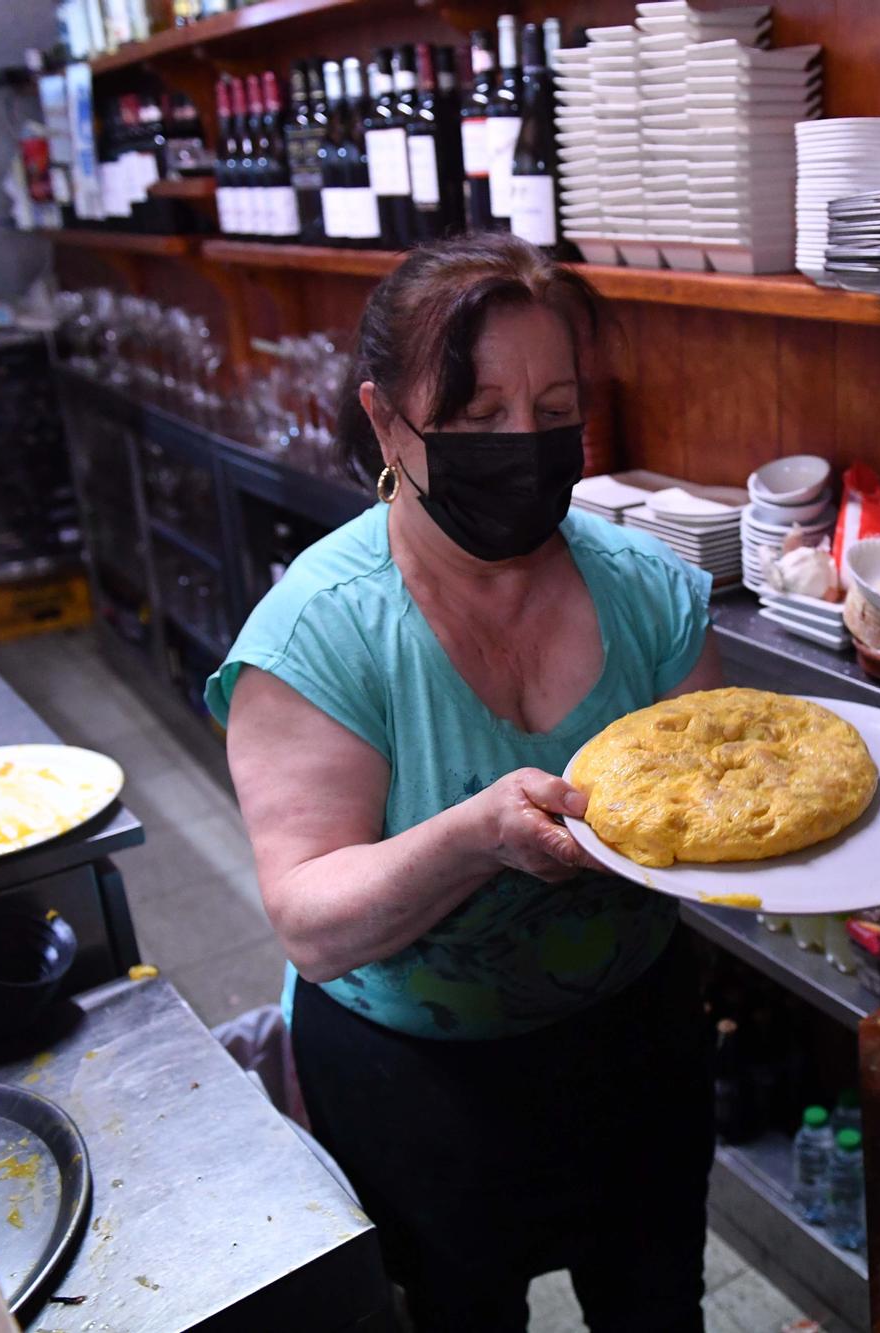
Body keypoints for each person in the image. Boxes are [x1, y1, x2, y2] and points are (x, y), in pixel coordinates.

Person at [206, 233, 723, 1332]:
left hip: (635, 1045)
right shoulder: (320, 634)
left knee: (655, 1309)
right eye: (479, 416)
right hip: (418, 1085)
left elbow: (710, 806)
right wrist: (474, 837)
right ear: (388, 421)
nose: (524, 445)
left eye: (552, 408)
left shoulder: (652, 594)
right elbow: (310, 920)